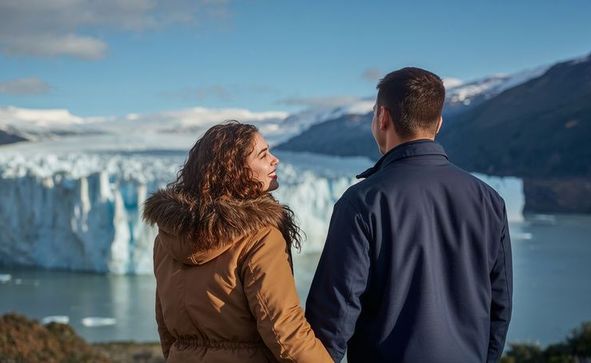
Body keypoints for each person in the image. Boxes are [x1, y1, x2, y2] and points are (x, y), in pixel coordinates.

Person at [305, 67, 513, 363]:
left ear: (382, 118)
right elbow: (499, 307)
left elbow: (332, 320)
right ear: (438, 123)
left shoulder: (363, 202)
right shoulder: (489, 200)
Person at [143, 121, 331, 362]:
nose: (275, 160)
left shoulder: (167, 237)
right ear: (234, 169)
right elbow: (284, 330)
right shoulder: (259, 236)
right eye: (263, 155)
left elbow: (165, 326)